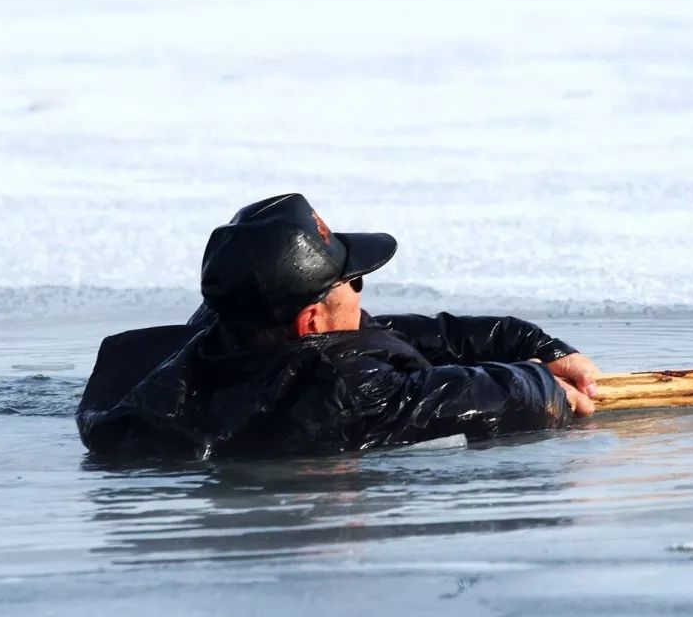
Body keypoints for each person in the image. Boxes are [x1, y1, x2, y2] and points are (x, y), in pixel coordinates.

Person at [76, 193, 600, 459]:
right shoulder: (341, 395)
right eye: (354, 282)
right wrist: (540, 384)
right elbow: (485, 395)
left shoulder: (223, 333)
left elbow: (393, 337)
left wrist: (528, 342)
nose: (360, 293)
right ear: (310, 322)